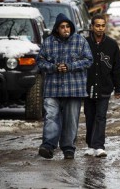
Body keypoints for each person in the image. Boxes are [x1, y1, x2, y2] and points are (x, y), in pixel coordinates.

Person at [37, 13, 93, 160]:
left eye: (68, 26)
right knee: (51, 116)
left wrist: (70, 66)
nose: (66, 29)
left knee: (71, 119)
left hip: (74, 89)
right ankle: (48, 146)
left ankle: (68, 149)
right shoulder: (48, 42)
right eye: (62, 27)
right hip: (52, 88)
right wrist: (54, 67)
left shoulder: (80, 41)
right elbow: (40, 62)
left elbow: (88, 60)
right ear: (57, 29)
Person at [84, 14, 120, 158]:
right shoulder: (84, 43)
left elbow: (117, 67)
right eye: (97, 25)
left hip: (105, 86)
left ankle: (99, 146)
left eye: (102, 25)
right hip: (87, 86)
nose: (100, 28)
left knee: (101, 116)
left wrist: (119, 87)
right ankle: (90, 144)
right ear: (92, 27)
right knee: (89, 116)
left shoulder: (112, 44)